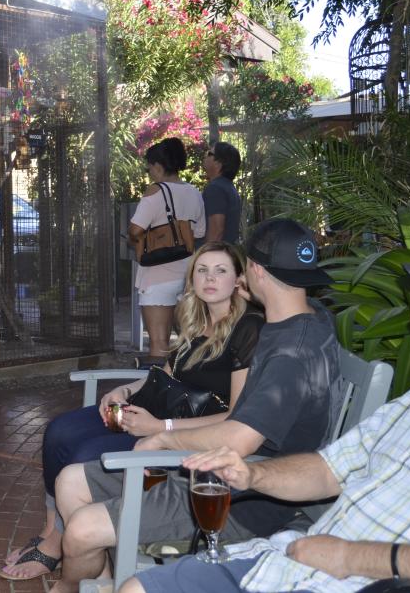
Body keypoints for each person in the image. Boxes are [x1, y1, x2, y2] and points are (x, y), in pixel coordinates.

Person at [120, 251, 410, 593]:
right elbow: (329, 470)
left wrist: (352, 557)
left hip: (352, 578)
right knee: (136, 588)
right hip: (289, 559)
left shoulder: (286, 340)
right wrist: (252, 476)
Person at [50, 219, 342, 593]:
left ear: (253, 270)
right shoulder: (306, 317)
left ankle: (72, 586)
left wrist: (163, 436)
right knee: (70, 481)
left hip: (243, 496)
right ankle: (102, 582)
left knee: (80, 530)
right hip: (219, 467)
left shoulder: (289, 352)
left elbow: (241, 438)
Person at [0, 242, 264, 581]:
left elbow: (237, 414)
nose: (210, 278)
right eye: (202, 270)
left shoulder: (248, 329)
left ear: (239, 280)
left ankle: (69, 547)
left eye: (221, 271)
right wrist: (124, 390)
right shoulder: (197, 320)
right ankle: (54, 532)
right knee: (58, 432)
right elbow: (165, 375)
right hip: (150, 413)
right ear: (192, 278)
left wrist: (160, 427)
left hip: (183, 434)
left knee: (83, 453)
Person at [131, 137, 207, 362]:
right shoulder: (194, 192)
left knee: (159, 341)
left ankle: (159, 393)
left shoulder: (155, 191)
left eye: (150, 167)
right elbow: (200, 232)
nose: (150, 172)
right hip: (186, 273)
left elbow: (135, 230)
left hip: (156, 277)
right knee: (186, 338)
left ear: (158, 166)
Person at [202, 141, 242, 243]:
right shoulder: (228, 187)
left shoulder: (215, 189)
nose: (205, 156)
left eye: (209, 154)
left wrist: (207, 256)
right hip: (226, 252)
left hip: (216, 255)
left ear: (218, 163)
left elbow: (216, 232)